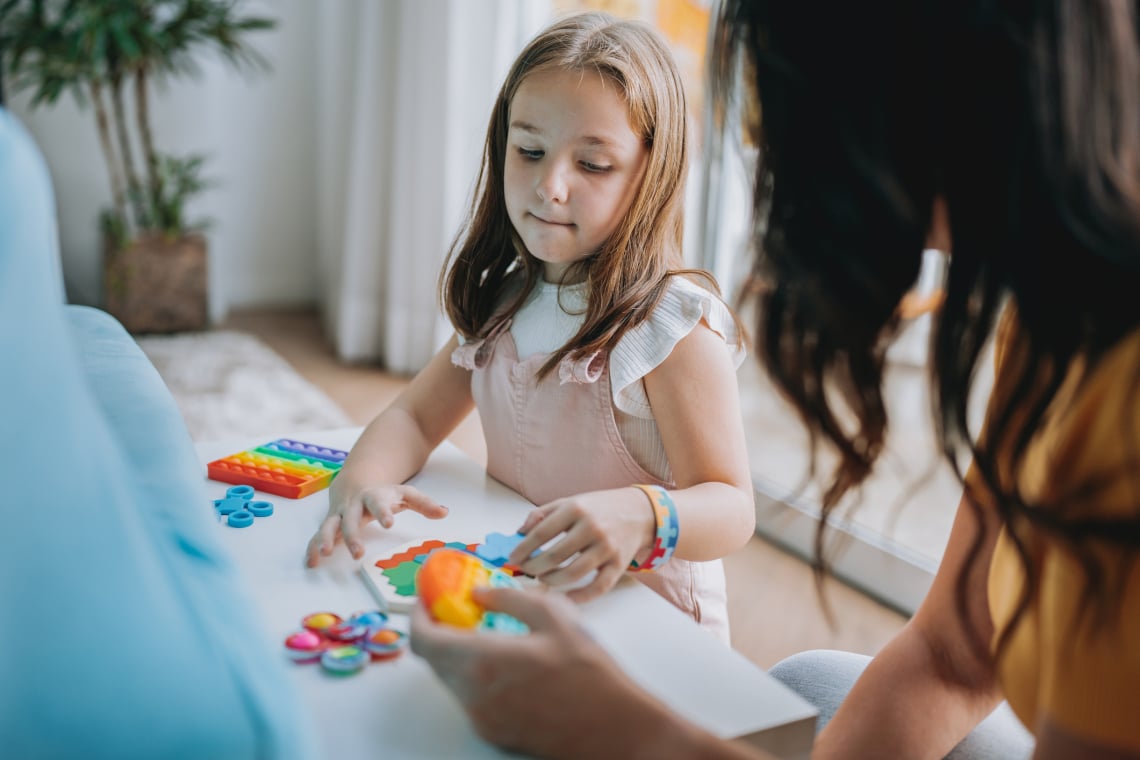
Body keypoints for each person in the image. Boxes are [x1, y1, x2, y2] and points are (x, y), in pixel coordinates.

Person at [410, 0, 1140, 758]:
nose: (766, 149)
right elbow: (955, 655)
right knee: (806, 685)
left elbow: (729, 502)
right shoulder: (1056, 320)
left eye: (789, 106)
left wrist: (618, 729)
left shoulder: (1123, 400)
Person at [304, 12, 756, 641]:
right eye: (531, 151)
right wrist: (359, 483)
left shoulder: (672, 326)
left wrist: (643, 512)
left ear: (651, 175)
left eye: (593, 165)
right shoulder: (504, 299)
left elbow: (733, 507)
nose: (550, 186)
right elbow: (413, 418)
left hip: (653, 626)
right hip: (534, 599)